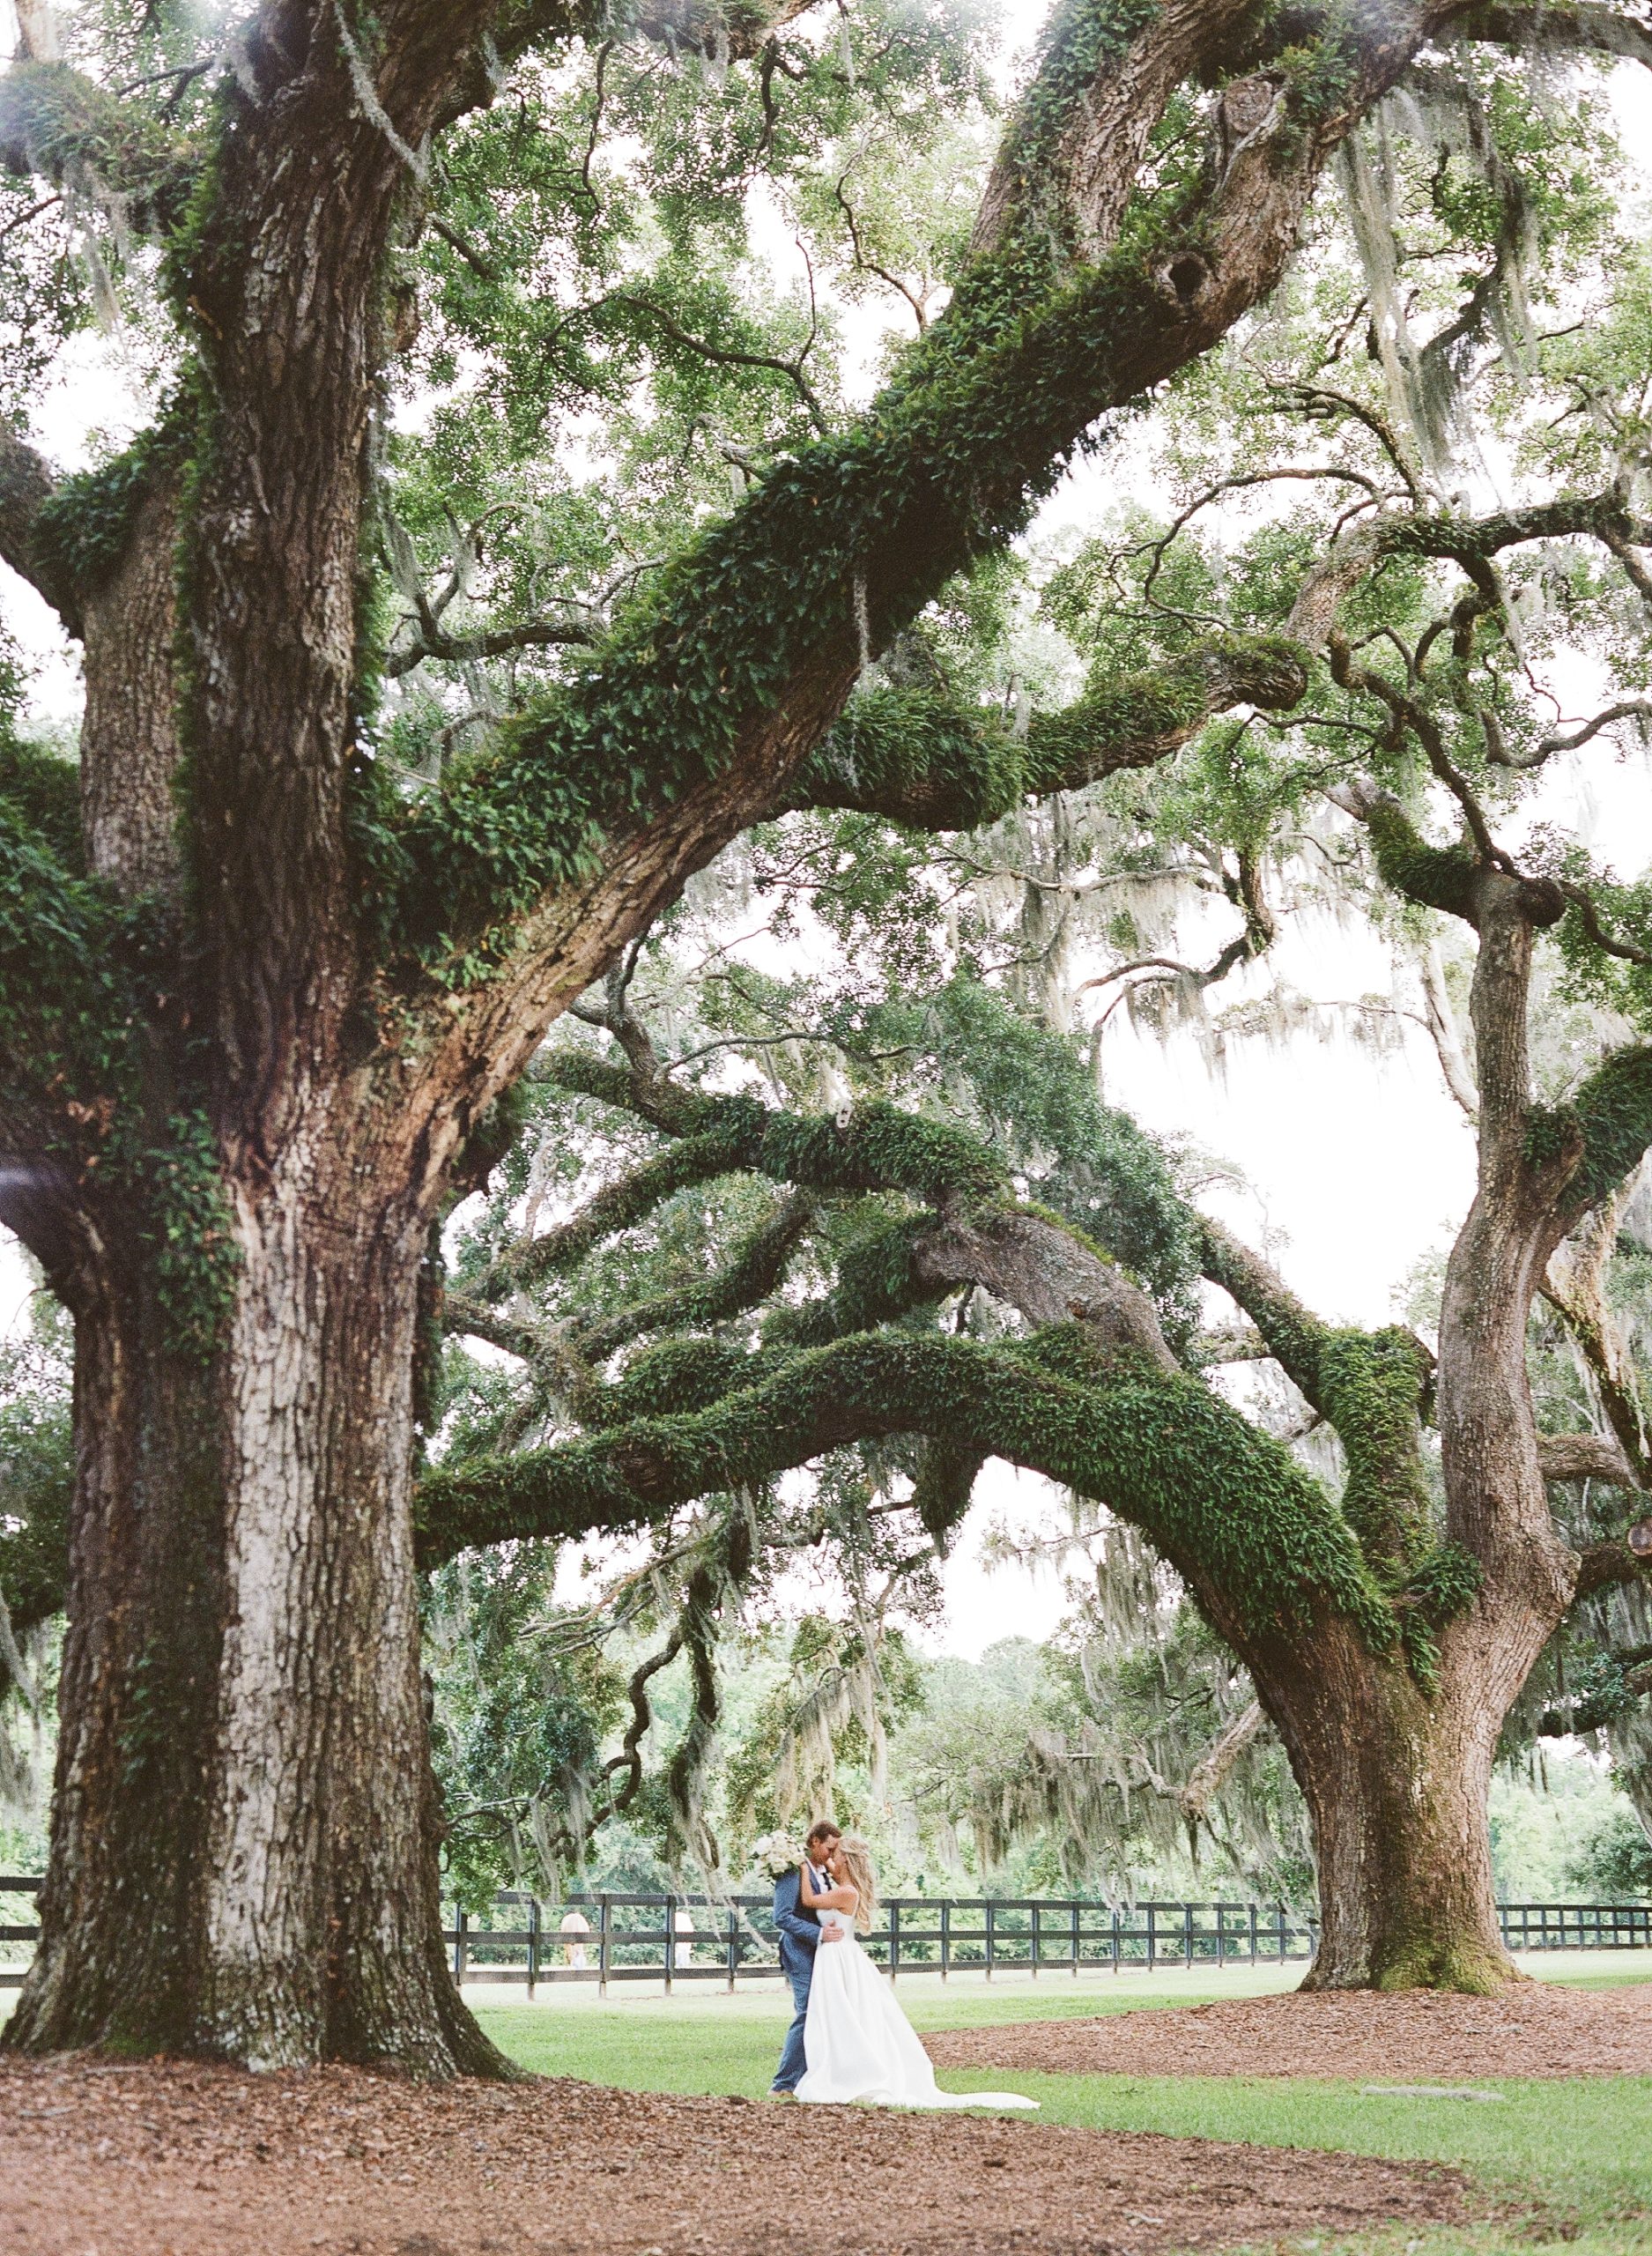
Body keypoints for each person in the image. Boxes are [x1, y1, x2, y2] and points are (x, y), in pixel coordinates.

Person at [794, 1838, 1037, 2111]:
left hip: (839, 1957)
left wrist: (802, 1867)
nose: (830, 1860)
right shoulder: (843, 1888)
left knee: (844, 2014)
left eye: (835, 1855)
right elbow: (828, 1883)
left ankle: (854, 2071)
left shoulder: (847, 1892)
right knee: (836, 2015)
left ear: (846, 1860)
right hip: (834, 1955)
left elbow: (808, 1900)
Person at [769, 1818, 845, 2096]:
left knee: (822, 2013)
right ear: (815, 1842)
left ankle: (809, 2078)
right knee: (806, 2014)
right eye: (829, 1848)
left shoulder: (823, 1871)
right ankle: (783, 2084)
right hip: (799, 1951)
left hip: (822, 1954)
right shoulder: (792, 1871)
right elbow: (782, 1916)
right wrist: (819, 1933)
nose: (832, 1854)